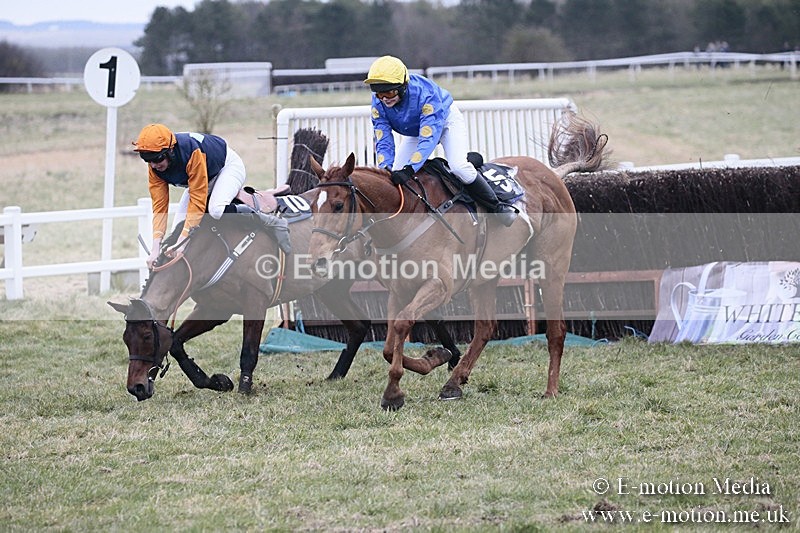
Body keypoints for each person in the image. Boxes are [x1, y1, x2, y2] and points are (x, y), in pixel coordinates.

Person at [364, 55, 516, 226]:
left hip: (445, 122)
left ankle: (498, 207)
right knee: (393, 175)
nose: (384, 99)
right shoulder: (378, 103)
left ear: (403, 86)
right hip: (416, 129)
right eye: (380, 93)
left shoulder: (426, 95)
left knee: (459, 167)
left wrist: (410, 169)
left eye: (390, 92)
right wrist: (386, 169)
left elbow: (428, 138)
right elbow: (383, 139)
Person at [133, 123, 290, 268]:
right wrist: (156, 248)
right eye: (147, 160)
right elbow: (160, 206)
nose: (154, 165)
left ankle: (265, 219)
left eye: (158, 158)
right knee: (178, 229)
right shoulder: (154, 168)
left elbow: (197, 201)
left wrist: (183, 242)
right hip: (203, 176)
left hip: (227, 166)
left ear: (171, 150)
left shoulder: (191, 152)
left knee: (215, 210)